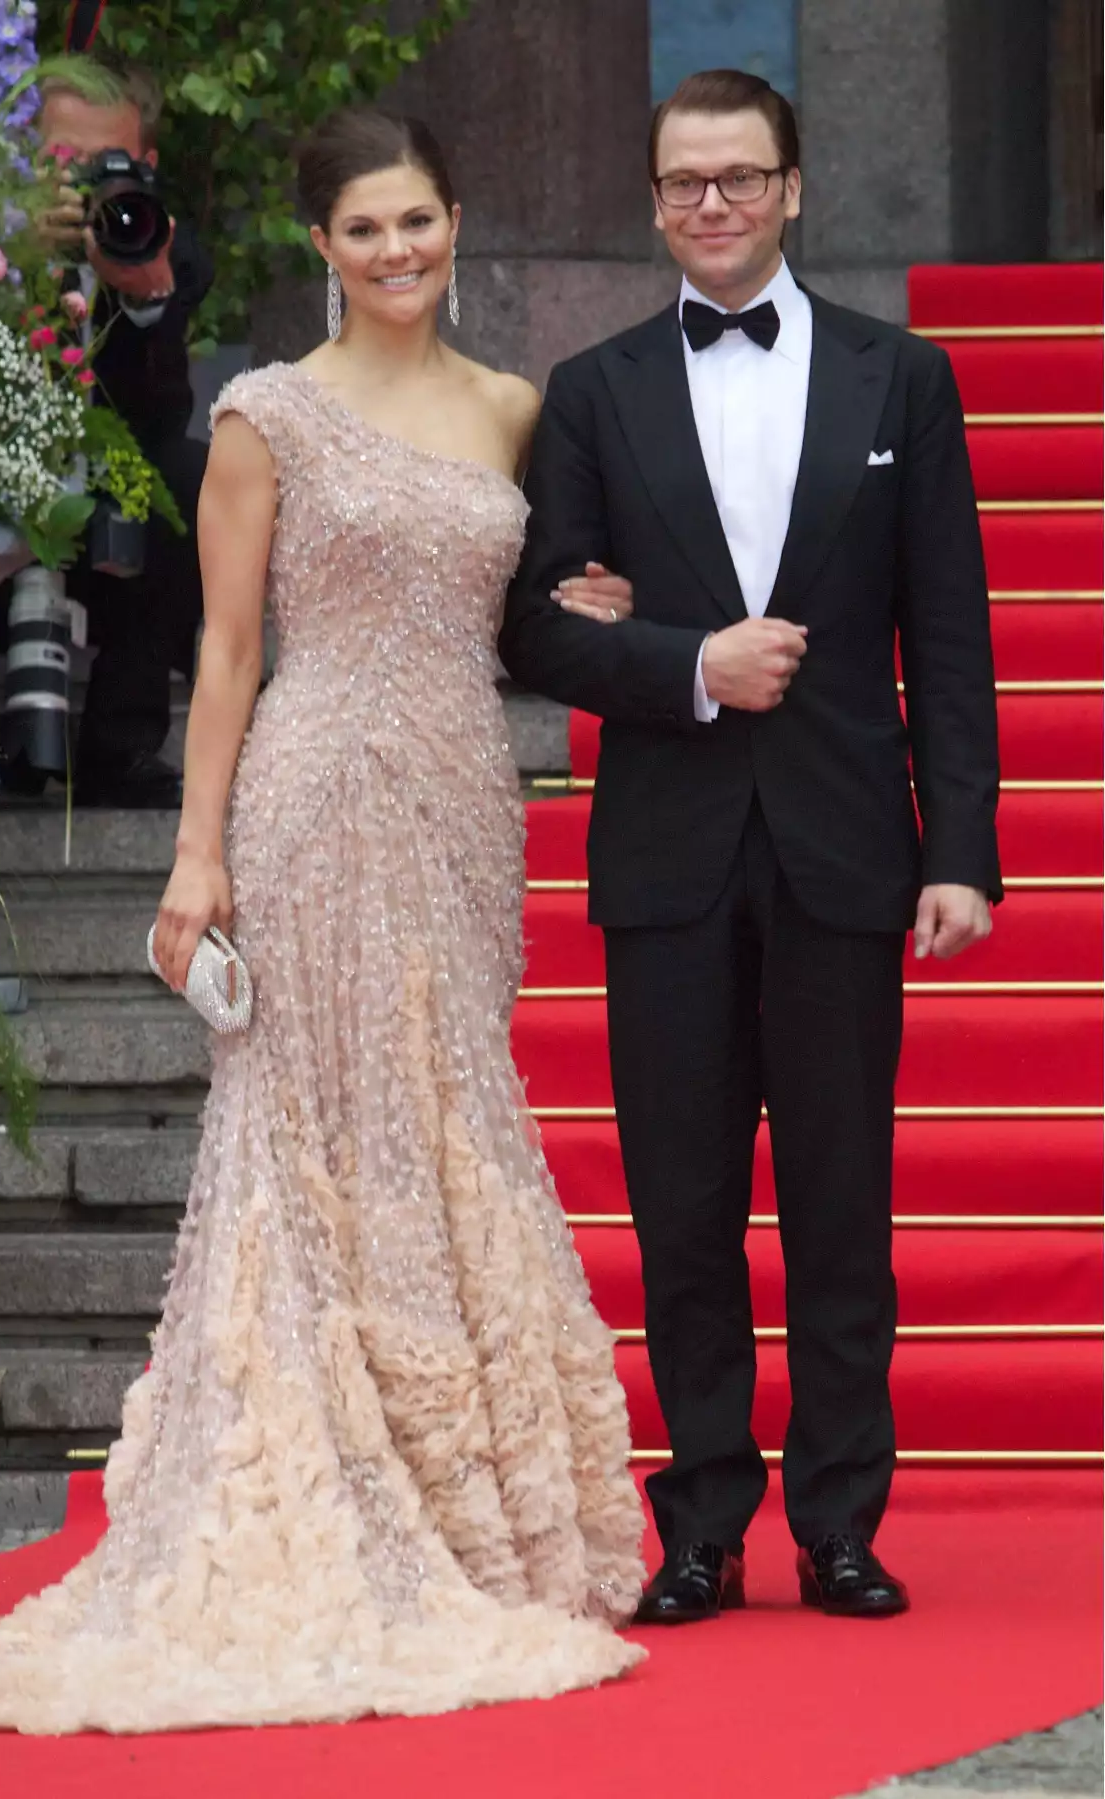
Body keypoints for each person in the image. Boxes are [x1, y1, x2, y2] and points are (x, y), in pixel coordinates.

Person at [0, 107, 646, 1735]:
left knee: (444, 1113)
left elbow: (523, 616)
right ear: (319, 246)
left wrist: (594, 609)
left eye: (420, 222)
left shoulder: (513, 408)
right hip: (315, 797)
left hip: (468, 807)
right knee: (323, 1137)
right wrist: (197, 857)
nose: (398, 251)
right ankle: (328, 1476)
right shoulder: (268, 415)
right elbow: (235, 653)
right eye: (366, 230)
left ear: (457, 221)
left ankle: (474, 1507)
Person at [499, 68, 1001, 1624]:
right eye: (681, 184)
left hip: (851, 846)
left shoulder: (899, 378)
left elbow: (953, 634)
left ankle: (843, 1520)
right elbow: (532, 627)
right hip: (669, 853)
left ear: (791, 187)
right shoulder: (590, 389)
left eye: (737, 178)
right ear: (652, 202)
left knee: (845, 1199)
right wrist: (684, 666)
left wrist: (963, 849)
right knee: (684, 1202)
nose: (709, 205)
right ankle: (702, 1523)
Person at [1, 57, 213, 807]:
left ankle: (120, 750)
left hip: (104, 511)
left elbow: (159, 422)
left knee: (185, 475)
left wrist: (148, 301)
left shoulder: (160, 247)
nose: (81, 186)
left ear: (144, 165)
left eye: (104, 166)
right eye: (61, 162)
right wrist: (17, 259)